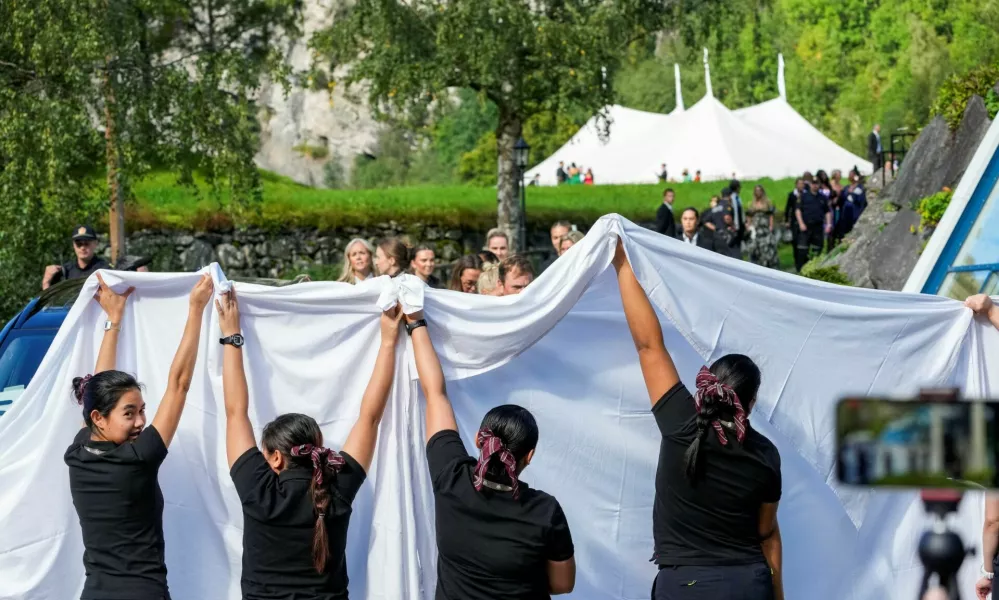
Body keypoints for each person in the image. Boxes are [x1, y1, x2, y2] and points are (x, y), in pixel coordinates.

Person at [611, 240, 783, 600]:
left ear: (707, 388)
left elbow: (648, 346)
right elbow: (766, 533)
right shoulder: (765, 454)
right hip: (748, 584)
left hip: (683, 585)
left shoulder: (681, 425)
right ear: (750, 403)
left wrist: (623, 265)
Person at [216, 288, 402, 599]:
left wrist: (232, 336)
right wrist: (387, 342)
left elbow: (236, 413)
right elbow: (369, 418)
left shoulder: (258, 489)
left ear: (275, 458)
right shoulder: (337, 487)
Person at [404, 308, 576, 599]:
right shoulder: (545, 511)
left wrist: (415, 323)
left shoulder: (452, 479)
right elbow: (562, 585)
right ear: (529, 455)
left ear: (479, 439)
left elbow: (435, 394)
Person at [64, 273, 214, 600]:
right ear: (98, 419)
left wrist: (113, 319)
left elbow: (96, 388)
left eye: (143, 410)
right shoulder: (138, 459)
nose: (141, 422)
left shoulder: (77, 452)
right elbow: (179, 384)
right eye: (129, 413)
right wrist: (195, 309)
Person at [43, 225, 110, 290]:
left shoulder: (105, 270)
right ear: (73, 245)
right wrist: (46, 282)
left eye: (86, 243)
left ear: (95, 244)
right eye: (79, 244)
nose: (82, 248)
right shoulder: (65, 271)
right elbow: (51, 299)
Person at [793, 179, 831, 272]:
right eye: (813, 184)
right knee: (802, 250)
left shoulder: (822, 197)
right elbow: (798, 211)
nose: (815, 186)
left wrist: (828, 224)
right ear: (810, 185)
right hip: (805, 227)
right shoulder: (803, 196)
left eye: (817, 183)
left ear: (819, 184)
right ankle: (801, 270)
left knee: (817, 249)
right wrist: (801, 223)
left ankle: (814, 269)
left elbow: (827, 212)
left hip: (818, 227)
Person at [745, 185, 779, 269]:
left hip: (765, 229)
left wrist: (771, 226)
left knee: (768, 250)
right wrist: (748, 226)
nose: (758, 192)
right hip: (756, 230)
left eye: (759, 190)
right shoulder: (751, 204)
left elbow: (771, 215)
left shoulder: (767, 203)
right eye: (756, 190)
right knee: (755, 250)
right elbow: (749, 216)